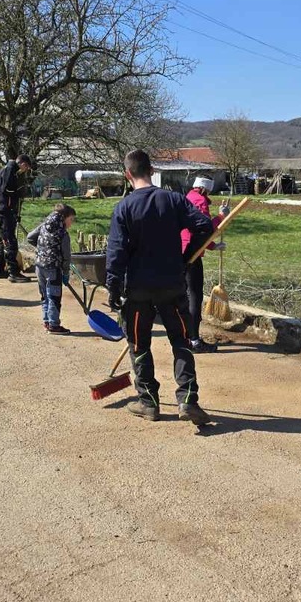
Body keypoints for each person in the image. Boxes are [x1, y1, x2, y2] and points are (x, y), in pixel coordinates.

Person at [106, 149, 215, 425]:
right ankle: (188, 400)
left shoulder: (124, 208)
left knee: (139, 343)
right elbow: (204, 226)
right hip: (172, 285)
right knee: (181, 341)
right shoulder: (174, 200)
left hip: (138, 288)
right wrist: (186, 257)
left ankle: (148, 403)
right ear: (152, 170)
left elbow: (116, 252)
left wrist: (113, 288)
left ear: (127, 174)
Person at [181, 176, 226, 353]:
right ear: (205, 189)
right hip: (191, 255)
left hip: (181, 252)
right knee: (194, 297)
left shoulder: (187, 198)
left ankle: (185, 337)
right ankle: (194, 340)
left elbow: (194, 230)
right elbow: (204, 229)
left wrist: (212, 246)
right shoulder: (199, 201)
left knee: (183, 296)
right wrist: (221, 216)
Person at [27, 204, 76, 334]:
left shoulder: (44, 226)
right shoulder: (63, 233)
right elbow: (66, 256)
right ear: (64, 217)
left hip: (39, 266)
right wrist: (66, 273)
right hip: (53, 268)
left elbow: (30, 237)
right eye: (71, 219)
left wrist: (42, 248)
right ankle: (54, 325)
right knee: (54, 296)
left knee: (44, 295)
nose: (71, 223)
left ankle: (47, 321)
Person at [0, 154, 33, 283]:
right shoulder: (10, 170)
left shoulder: (10, 169)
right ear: (23, 164)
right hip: (4, 208)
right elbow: (7, 189)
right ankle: (13, 272)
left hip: (3, 208)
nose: (25, 170)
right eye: (26, 168)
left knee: (3, 239)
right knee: (10, 240)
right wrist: (18, 192)